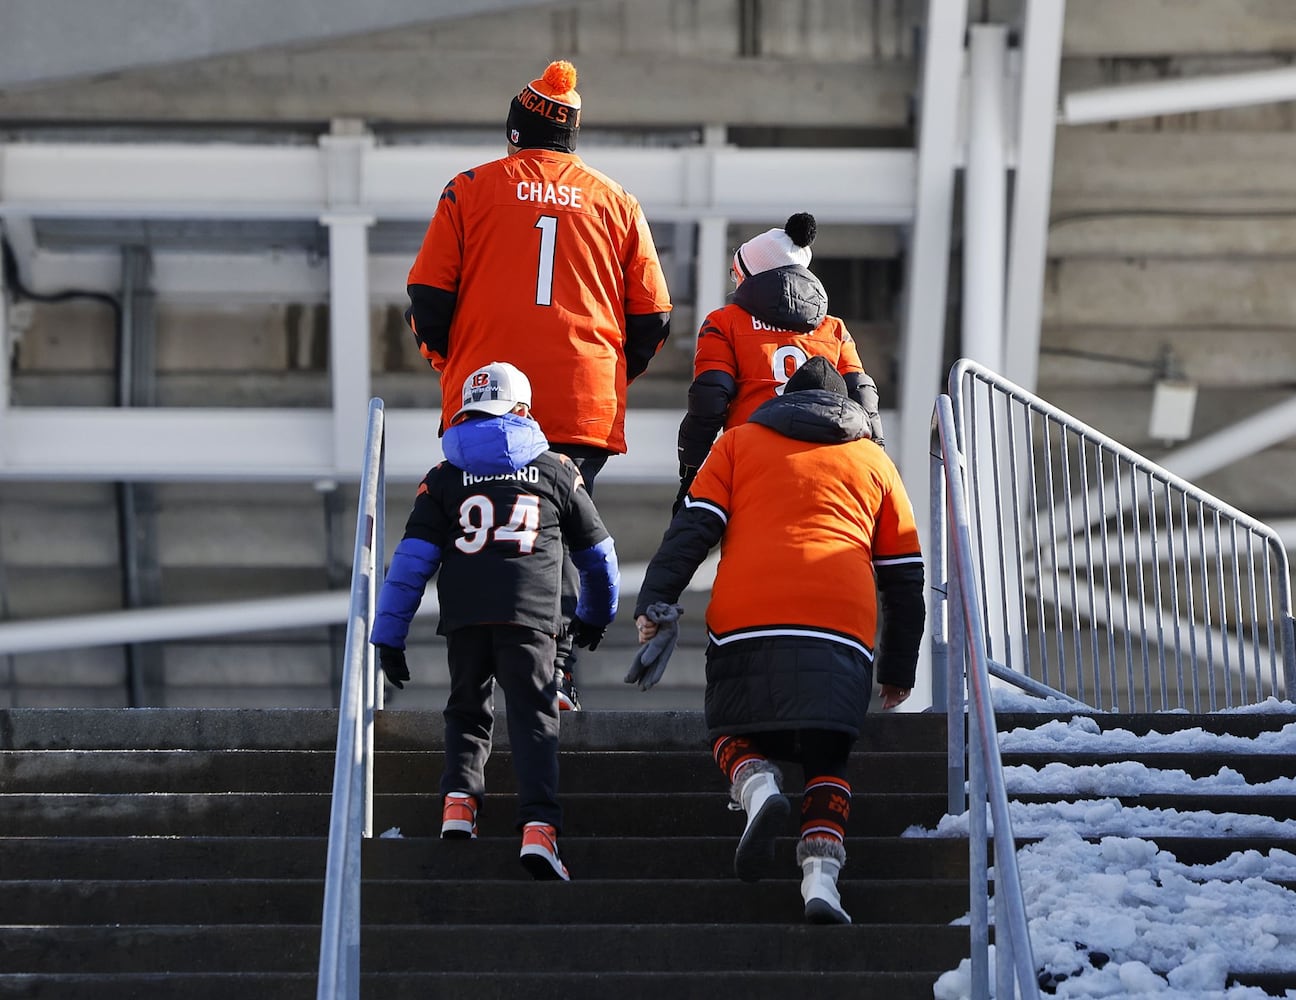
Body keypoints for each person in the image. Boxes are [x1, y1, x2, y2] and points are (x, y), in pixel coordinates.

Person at [405, 59, 673, 712]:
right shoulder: (617, 202)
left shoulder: (468, 189)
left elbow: (427, 298)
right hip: (579, 401)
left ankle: (482, 687)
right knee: (550, 527)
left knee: (483, 530)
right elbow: (655, 316)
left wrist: (449, 364)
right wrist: (610, 375)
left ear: (516, 134)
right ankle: (553, 676)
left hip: (484, 399)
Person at [628, 356, 924, 923]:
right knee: (828, 756)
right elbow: (905, 575)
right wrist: (898, 668)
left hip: (748, 618)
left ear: (782, 399)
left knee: (730, 727)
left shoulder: (738, 442)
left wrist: (654, 602)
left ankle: (755, 783)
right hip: (840, 627)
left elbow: (692, 529)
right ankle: (820, 877)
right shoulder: (875, 462)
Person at [370, 361, 619, 882]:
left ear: (465, 410)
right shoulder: (557, 471)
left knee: (466, 709)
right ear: (522, 411)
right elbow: (598, 556)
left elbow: (412, 561)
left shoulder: (442, 478)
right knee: (534, 721)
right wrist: (595, 614)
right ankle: (538, 830)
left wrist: (389, 637)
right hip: (532, 620)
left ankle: (458, 807)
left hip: (464, 618)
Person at [674, 212, 884, 513]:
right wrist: (877, 454)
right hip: (827, 466)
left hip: (751, 461)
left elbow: (710, 399)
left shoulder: (724, 322)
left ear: (749, 276)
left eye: (736, 274)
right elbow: (862, 396)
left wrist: (690, 466)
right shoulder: (834, 329)